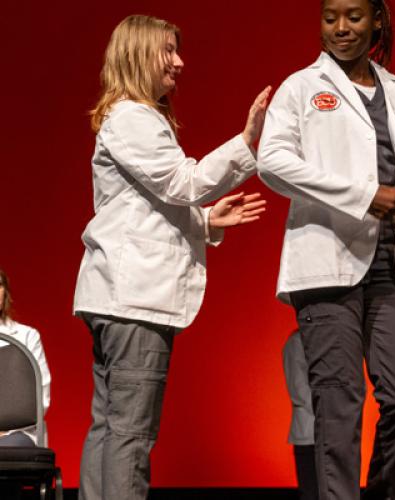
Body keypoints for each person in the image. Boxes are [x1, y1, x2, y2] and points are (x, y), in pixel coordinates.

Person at [258, 0, 395, 498]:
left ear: (376, 22)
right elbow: (273, 160)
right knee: (339, 401)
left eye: (353, 16)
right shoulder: (302, 88)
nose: (341, 28)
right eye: (330, 18)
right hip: (327, 266)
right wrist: (364, 197)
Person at [73, 14, 270, 500]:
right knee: (130, 435)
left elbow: (144, 208)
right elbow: (182, 183)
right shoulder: (132, 118)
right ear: (139, 54)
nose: (179, 62)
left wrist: (205, 222)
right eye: (168, 51)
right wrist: (246, 143)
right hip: (133, 300)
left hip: (120, 298)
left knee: (112, 429)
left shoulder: (132, 118)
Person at [0, 268, 51, 448]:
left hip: (18, 434)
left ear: (5, 291)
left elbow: (41, 396)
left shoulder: (27, 336)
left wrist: (5, 429)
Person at [283, 330, 319, 500]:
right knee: (311, 493)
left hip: (334, 434)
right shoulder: (297, 341)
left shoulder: (333, 338)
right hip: (309, 434)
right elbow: (299, 389)